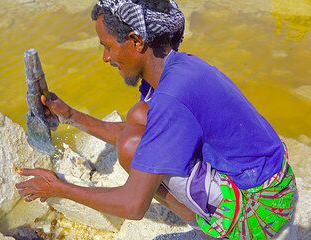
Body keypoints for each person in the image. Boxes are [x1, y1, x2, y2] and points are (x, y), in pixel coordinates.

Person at [16, 0, 297, 239]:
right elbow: (146, 133)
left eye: (108, 46)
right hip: (272, 181)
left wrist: (58, 188)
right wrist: (70, 116)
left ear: (137, 41)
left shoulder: (172, 97)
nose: (105, 57)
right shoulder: (177, 68)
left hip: (262, 211)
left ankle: (208, 226)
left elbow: (133, 205)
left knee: (132, 149)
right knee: (139, 118)